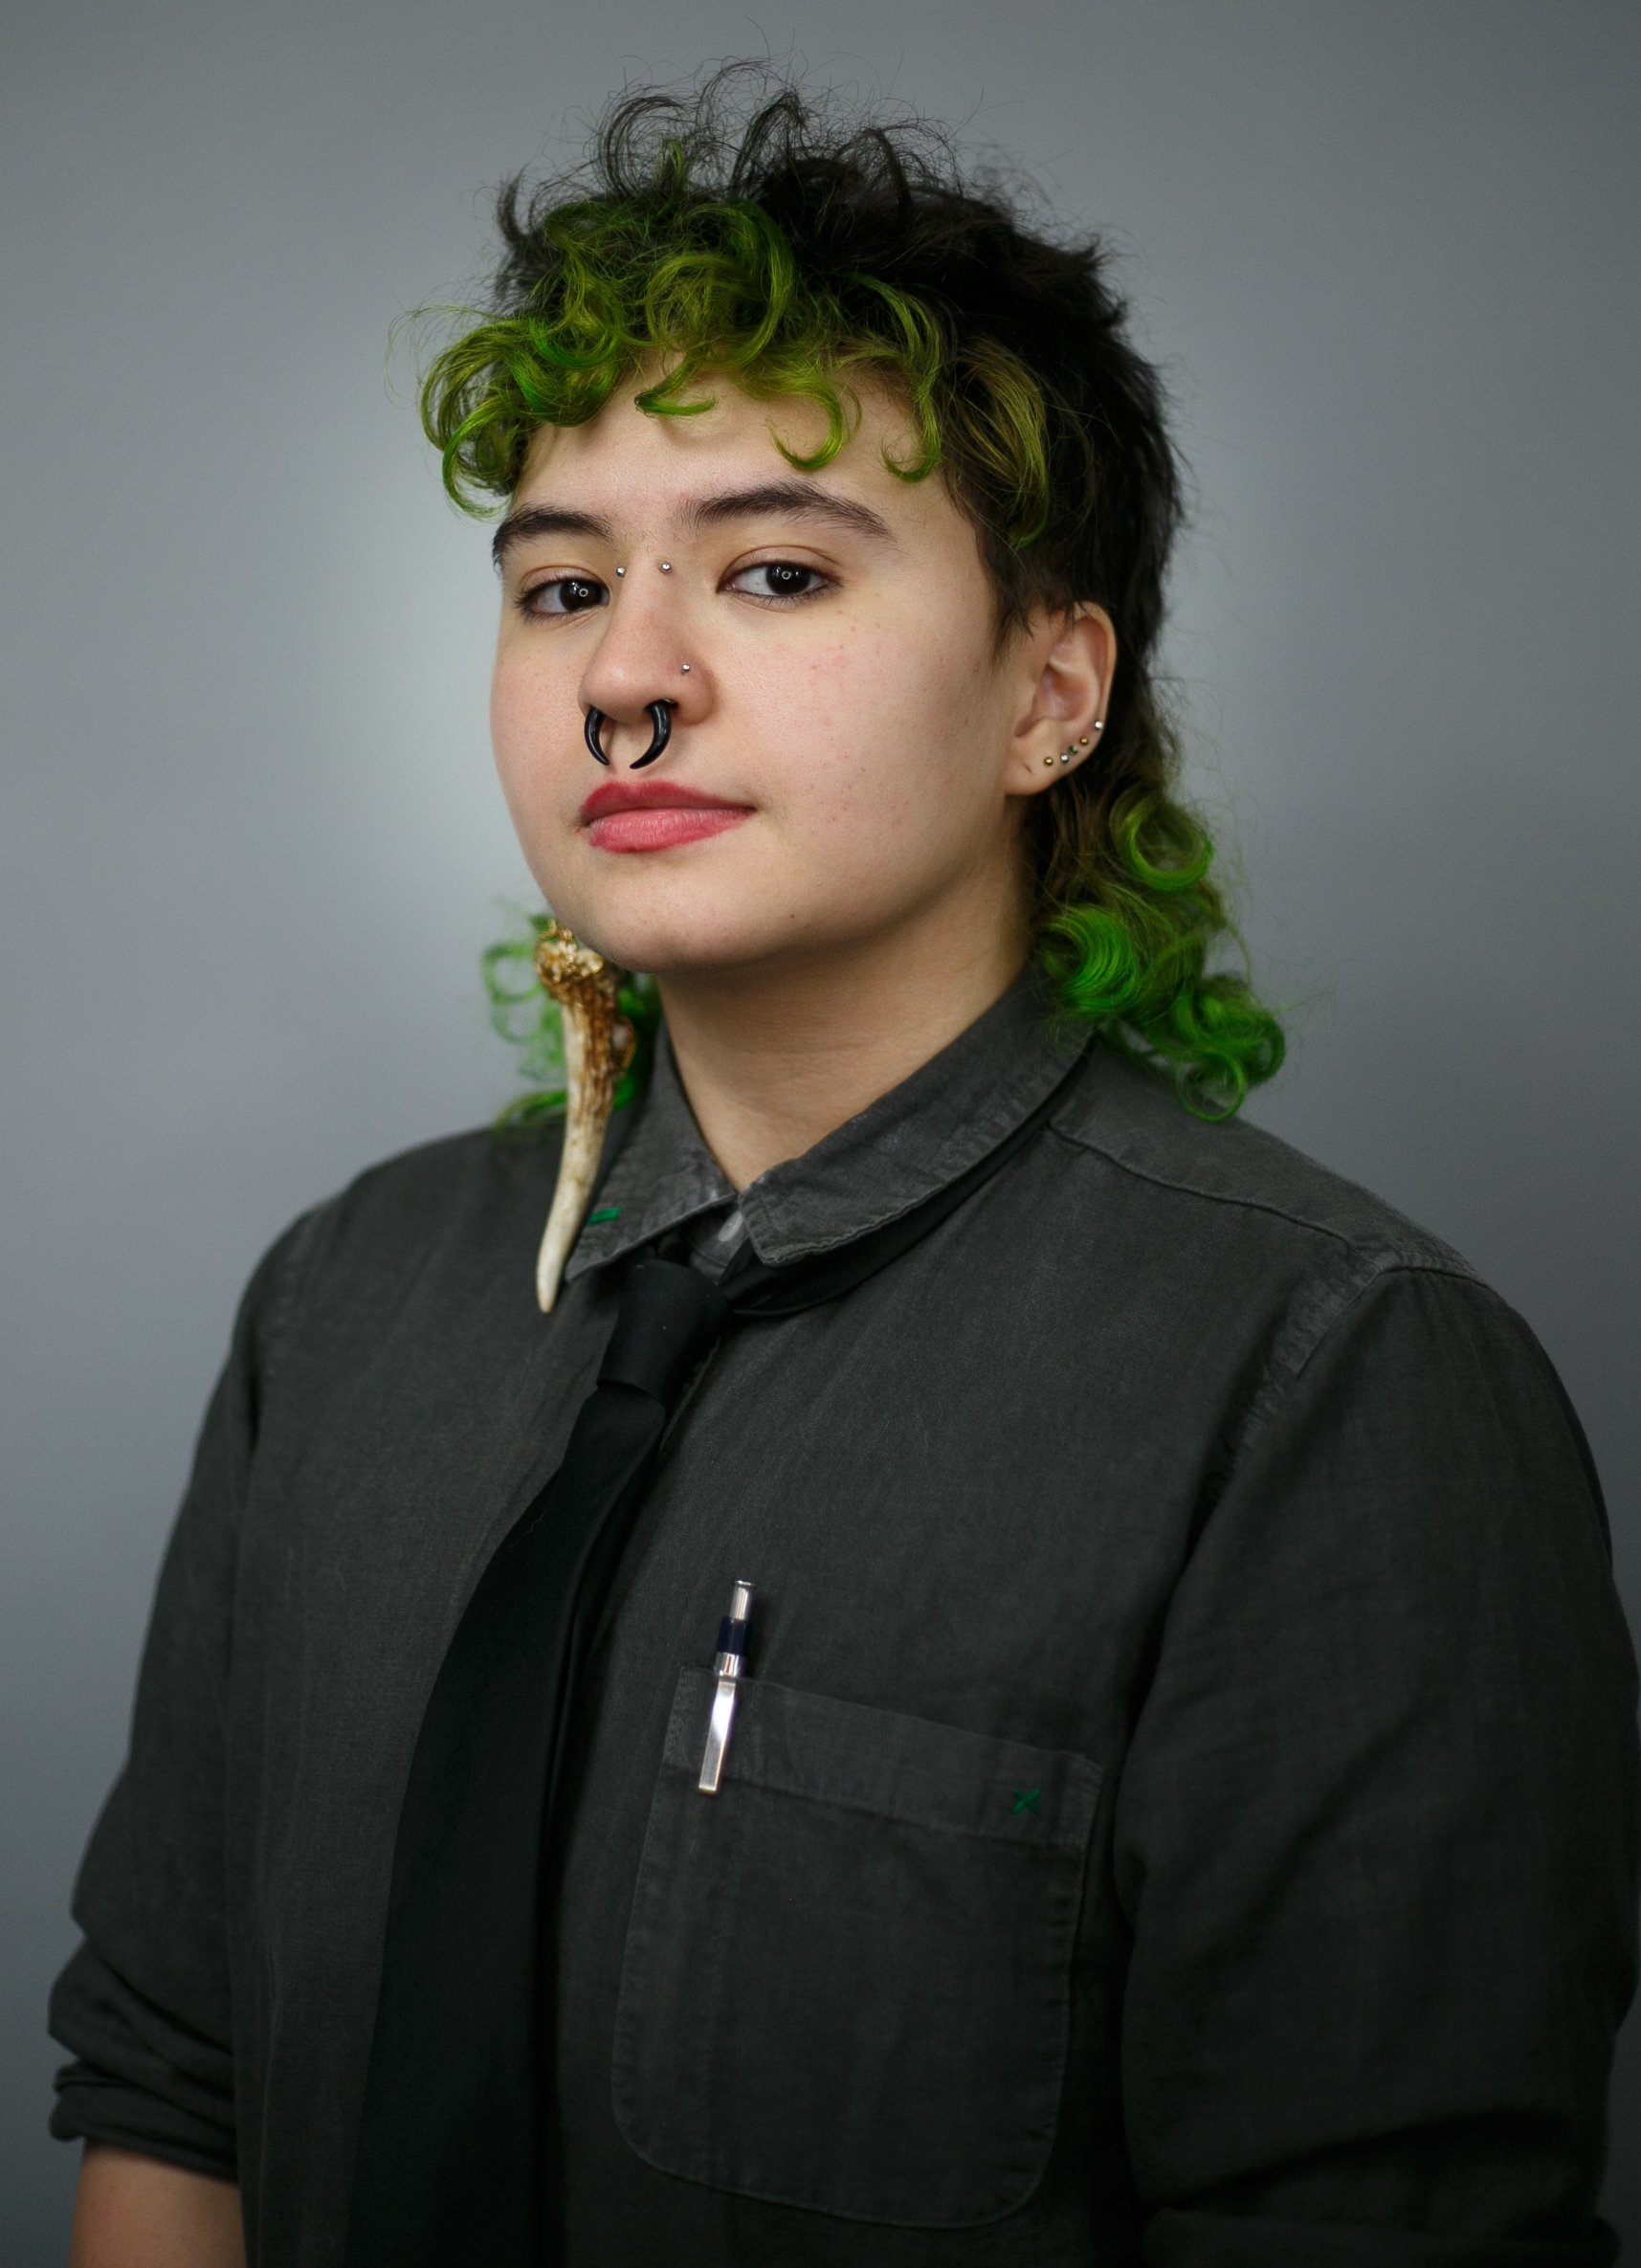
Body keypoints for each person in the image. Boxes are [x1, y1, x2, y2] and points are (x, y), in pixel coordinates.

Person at [50, 68, 1638, 2268]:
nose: (625, 678)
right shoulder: (352, 1293)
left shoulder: (1331, 1391)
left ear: (1048, 696)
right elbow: (176, 2084)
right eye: (558, 584)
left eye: (776, 570)